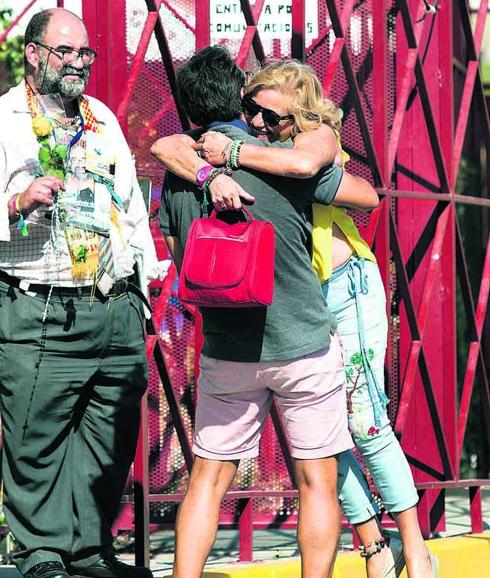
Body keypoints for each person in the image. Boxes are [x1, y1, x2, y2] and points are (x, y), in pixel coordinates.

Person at [165, 60, 439, 578]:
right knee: (317, 479)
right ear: (240, 102)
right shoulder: (284, 160)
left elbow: (182, 256)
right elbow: (366, 198)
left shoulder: (182, 170)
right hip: (303, 344)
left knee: (207, 479)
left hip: (228, 349)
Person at [0, 9, 158, 578]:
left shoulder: (102, 119)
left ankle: (88, 548)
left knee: (108, 432)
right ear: (34, 54)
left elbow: (130, 208)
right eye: (65, 52)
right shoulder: (6, 120)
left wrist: (142, 287)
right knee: (36, 434)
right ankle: (41, 552)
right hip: (41, 302)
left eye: (85, 54)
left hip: (112, 303)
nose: (78, 64)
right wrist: (17, 203)